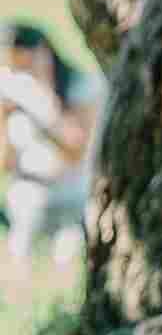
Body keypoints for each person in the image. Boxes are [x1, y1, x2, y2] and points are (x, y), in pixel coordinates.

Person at [0, 18, 105, 267]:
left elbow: (75, 150)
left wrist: (42, 102)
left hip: (73, 202)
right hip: (28, 202)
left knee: (67, 260)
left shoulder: (83, 86)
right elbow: (5, 163)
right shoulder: (11, 95)